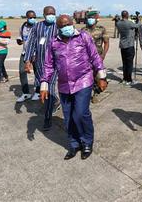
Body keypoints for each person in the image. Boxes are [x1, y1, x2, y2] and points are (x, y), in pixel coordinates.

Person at [41, 15, 107, 160]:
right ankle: (74, 144)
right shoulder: (54, 43)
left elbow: (95, 56)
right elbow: (48, 65)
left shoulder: (83, 37)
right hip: (64, 84)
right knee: (68, 116)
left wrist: (101, 76)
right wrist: (44, 84)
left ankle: (87, 142)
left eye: (68, 23)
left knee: (81, 113)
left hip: (83, 80)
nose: (66, 26)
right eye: (63, 25)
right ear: (58, 28)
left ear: (73, 23)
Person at [24, 6, 59, 130]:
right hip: (38, 64)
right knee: (41, 88)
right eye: (49, 14)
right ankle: (51, 102)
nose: (51, 15)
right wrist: (27, 60)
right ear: (44, 15)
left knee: (48, 87)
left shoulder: (59, 26)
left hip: (54, 65)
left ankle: (47, 118)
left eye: (53, 13)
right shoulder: (37, 27)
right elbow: (31, 44)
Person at [82, 10, 110, 103]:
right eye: (89, 18)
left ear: (96, 19)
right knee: (88, 76)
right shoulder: (83, 30)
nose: (90, 20)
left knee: (98, 76)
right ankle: (88, 93)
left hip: (98, 57)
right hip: (86, 58)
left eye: (92, 18)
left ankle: (95, 94)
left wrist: (103, 55)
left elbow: (106, 43)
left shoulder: (101, 29)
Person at [16, 10, 38, 102]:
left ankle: (38, 92)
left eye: (34, 17)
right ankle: (26, 93)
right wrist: (19, 41)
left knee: (37, 73)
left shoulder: (38, 26)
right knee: (22, 71)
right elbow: (20, 38)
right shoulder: (23, 27)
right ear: (27, 18)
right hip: (25, 53)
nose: (32, 19)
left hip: (36, 53)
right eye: (30, 17)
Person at [116, 10, 138, 85]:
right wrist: (138, 19)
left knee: (124, 63)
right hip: (129, 45)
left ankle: (125, 78)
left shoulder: (118, 23)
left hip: (122, 45)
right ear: (127, 15)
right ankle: (129, 79)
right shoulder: (129, 23)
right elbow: (137, 26)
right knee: (129, 63)